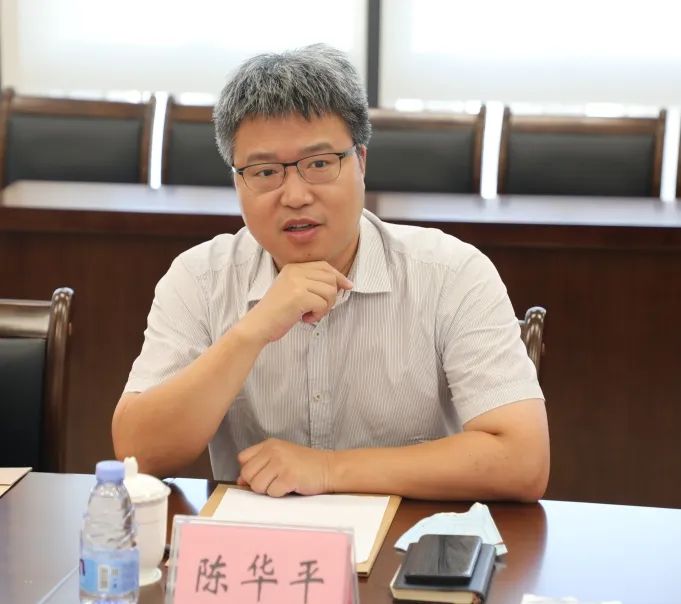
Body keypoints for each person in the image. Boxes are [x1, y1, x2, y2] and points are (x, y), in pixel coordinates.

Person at [112, 44, 549, 501]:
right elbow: (138, 453)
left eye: (319, 164)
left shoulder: (451, 274)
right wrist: (252, 332)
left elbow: (523, 460)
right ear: (237, 181)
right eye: (264, 172)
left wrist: (327, 470)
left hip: (408, 539)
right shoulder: (199, 278)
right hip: (258, 539)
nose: (295, 195)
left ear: (361, 162)